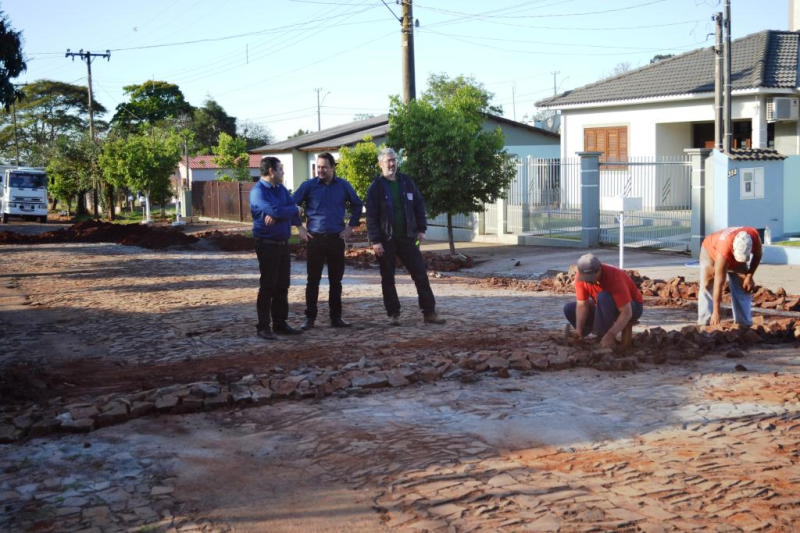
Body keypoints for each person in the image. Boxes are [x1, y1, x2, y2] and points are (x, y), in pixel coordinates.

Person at [365, 148, 446, 326]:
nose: (392, 164)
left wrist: (421, 228)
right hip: (386, 240)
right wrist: (376, 240)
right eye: (388, 161)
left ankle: (429, 313)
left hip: (408, 237)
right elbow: (371, 216)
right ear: (381, 164)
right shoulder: (376, 187)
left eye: (394, 160)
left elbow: (418, 204)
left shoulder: (407, 182)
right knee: (388, 278)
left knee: (420, 274)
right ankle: (394, 314)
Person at [292, 152, 363, 330]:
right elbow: (292, 204)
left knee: (336, 281)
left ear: (332, 168)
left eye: (324, 167)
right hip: (315, 239)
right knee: (312, 280)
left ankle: (336, 317)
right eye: (318, 167)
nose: (320, 170)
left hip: (336, 239)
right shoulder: (308, 186)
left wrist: (351, 227)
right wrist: (299, 227)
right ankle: (310, 318)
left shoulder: (343, 186)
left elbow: (357, 205)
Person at [250, 156, 304, 340]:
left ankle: (280, 323)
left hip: (283, 244)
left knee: (283, 285)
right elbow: (279, 210)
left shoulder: (280, 189)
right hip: (267, 245)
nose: (283, 173)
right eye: (281, 169)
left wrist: (284, 212)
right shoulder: (258, 192)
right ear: (271, 171)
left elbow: (283, 209)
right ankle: (263, 326)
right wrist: (290, 211)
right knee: (268, 286)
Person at [563, 253, 644, 349]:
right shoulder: (580, 278)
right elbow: (582, 306)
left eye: (590, 278)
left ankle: (603, 336)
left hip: (632, 307)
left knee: (603, 296)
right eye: (585, 278)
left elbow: (627, 313)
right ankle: (588, 333)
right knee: (569, 308)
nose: (587, 281)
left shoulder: (615, 277)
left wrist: (610, 335)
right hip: (605, 304)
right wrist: (579, 330)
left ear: (599, 269)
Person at [699, 226, 762, 326]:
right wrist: (716, 312)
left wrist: (749, 276)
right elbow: (718, 284)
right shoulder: (723, 252)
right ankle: (705, 321)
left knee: (743, 286)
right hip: (710, 251)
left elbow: (758, 256)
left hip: (731, 251)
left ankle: (743, 323)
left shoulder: (754, 236)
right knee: (708, 284)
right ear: (733, 249)